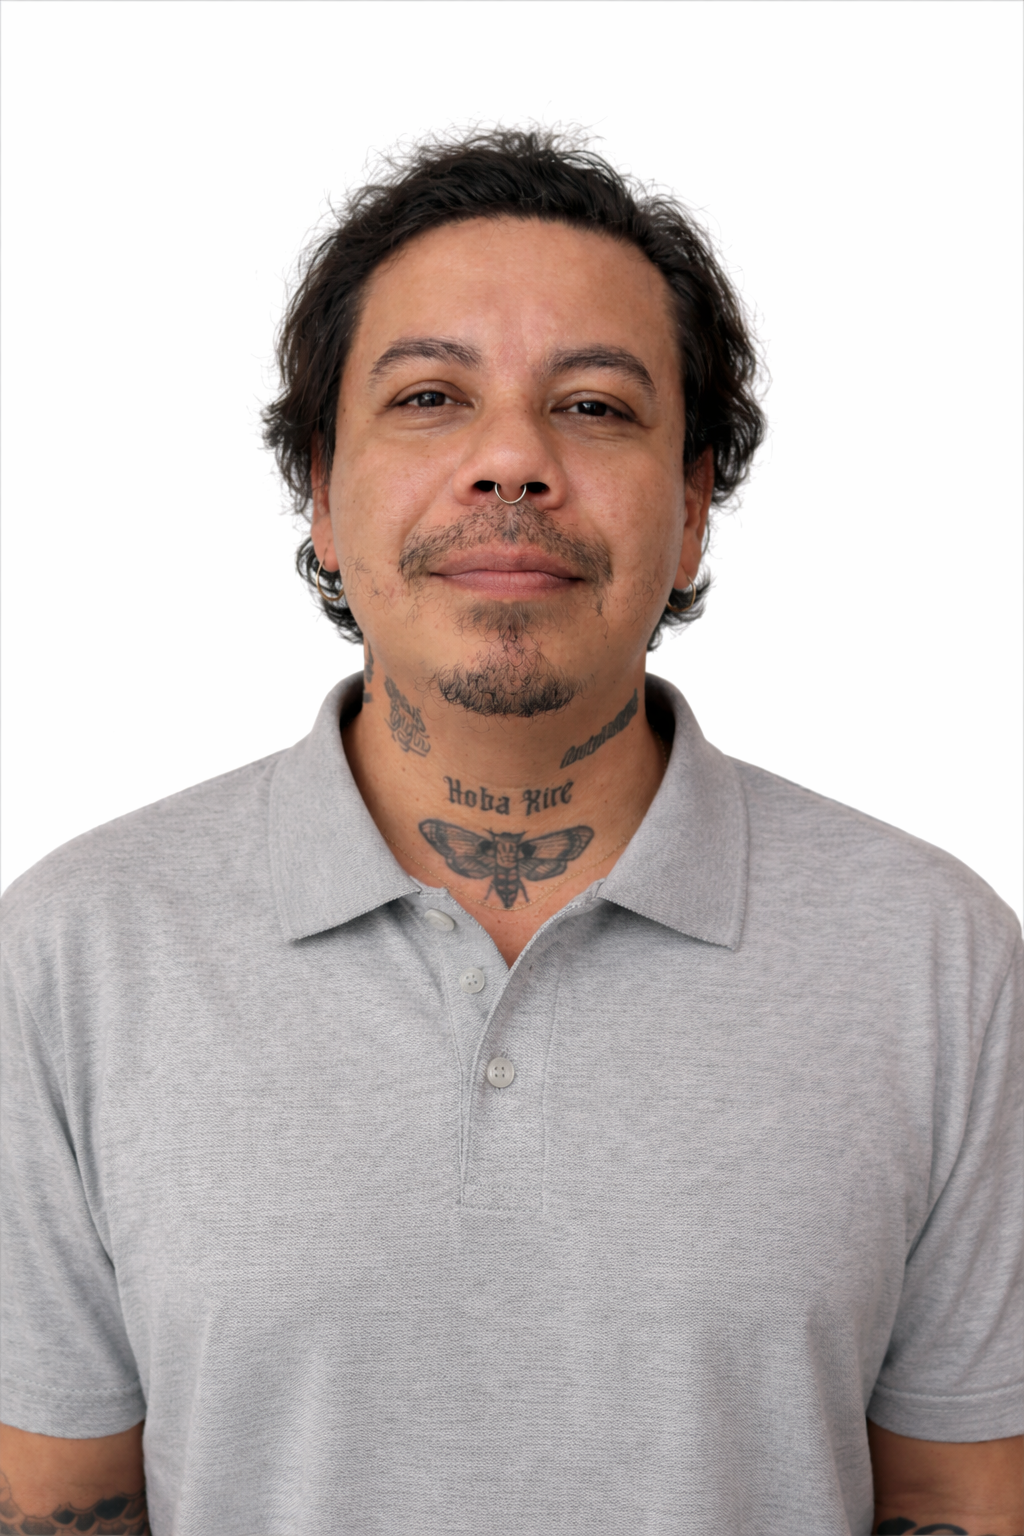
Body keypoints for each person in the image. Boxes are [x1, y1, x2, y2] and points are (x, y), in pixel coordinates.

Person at [1, 128, 1020, 1536]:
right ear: (322, 491)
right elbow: (57, 1497)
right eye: (430, 397)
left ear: (694, 503)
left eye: (594, 407)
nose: (511, 462)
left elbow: (962, 1492)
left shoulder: (937, 955)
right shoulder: (76, 950)